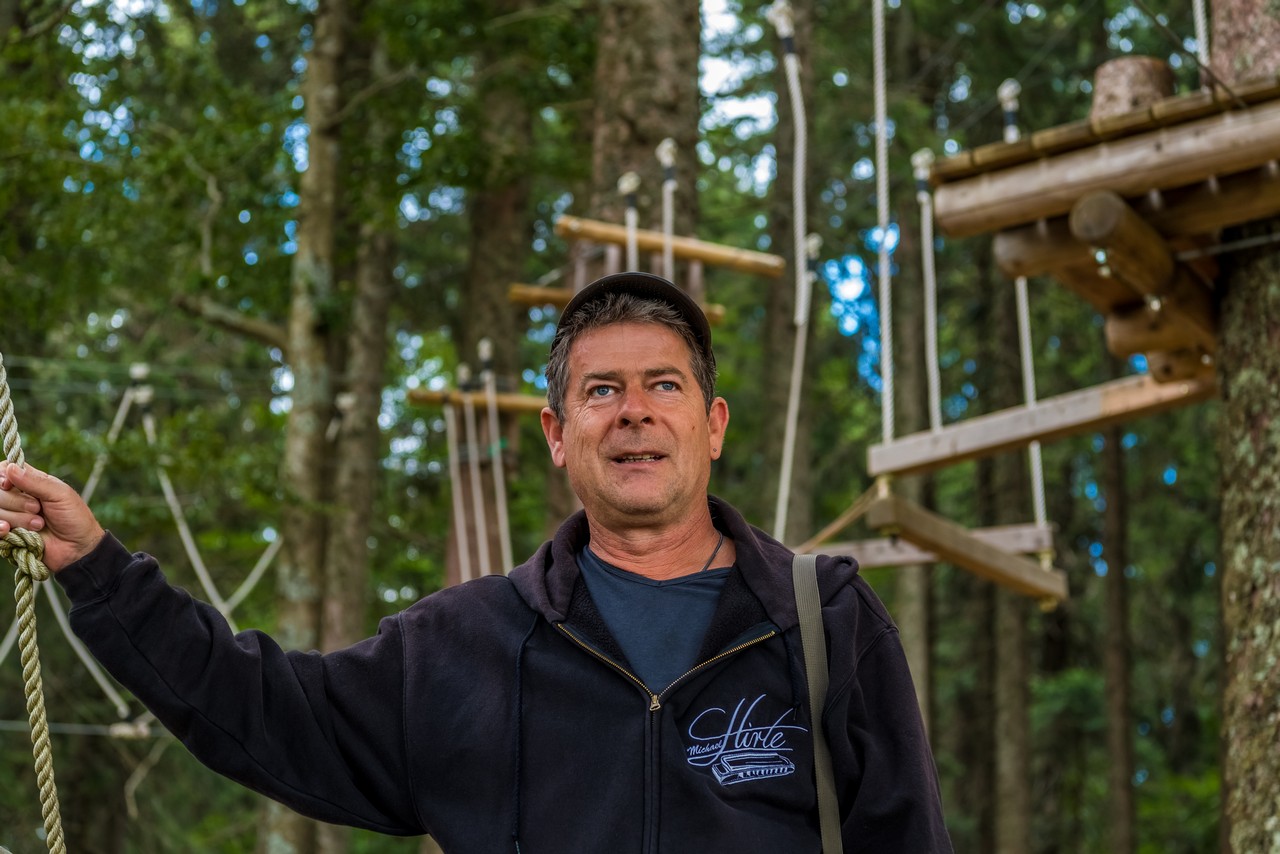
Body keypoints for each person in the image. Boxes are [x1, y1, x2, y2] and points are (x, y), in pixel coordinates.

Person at [0, 272, 952, 852]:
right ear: (557, 434)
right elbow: (264, 710)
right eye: (600, 391)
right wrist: (98, 568)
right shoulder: (464, 646)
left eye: (664, 385)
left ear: (711, 426)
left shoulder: (822, 621)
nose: (633, 410)